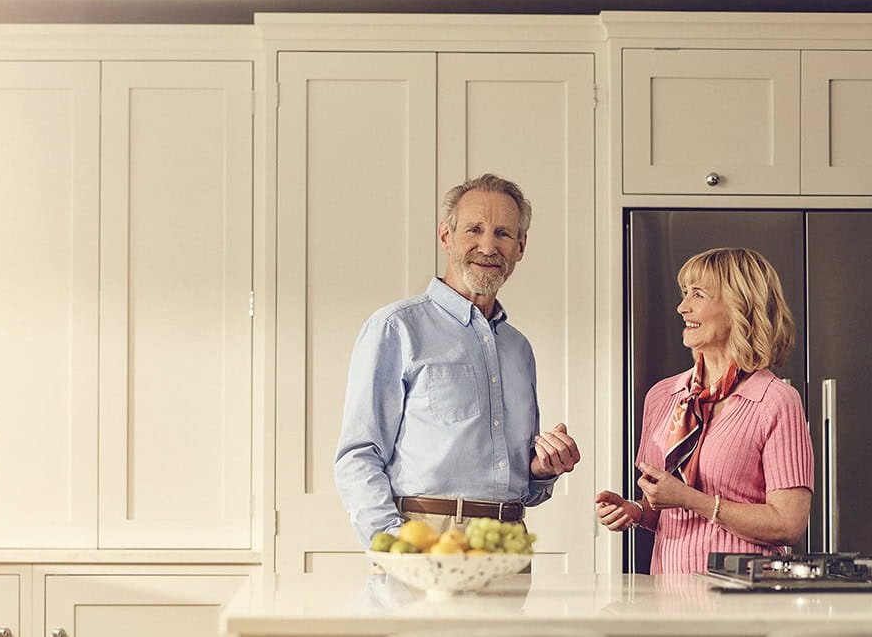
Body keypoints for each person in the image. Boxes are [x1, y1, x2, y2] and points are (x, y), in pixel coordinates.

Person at [334, 173, 580, 548]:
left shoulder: (518, 348)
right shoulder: (396, 328)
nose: (488, 246)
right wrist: (396, 543)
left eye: (503, 233)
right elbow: (358, 455)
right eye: (474, 230)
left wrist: (541, 470)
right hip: (425, 535)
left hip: (509, 539)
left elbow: (525, 485)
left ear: (520, 247)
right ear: (446, 237)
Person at [594, 247, 813, 574]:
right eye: (684, 294)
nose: (683, 307)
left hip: (743, 600)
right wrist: (636, 510)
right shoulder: (663, 396)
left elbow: (788, 524)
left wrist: (690, 499)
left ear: (740, 306)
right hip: (669, 593)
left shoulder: (775, 400)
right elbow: (663, 504)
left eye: (698, 294)